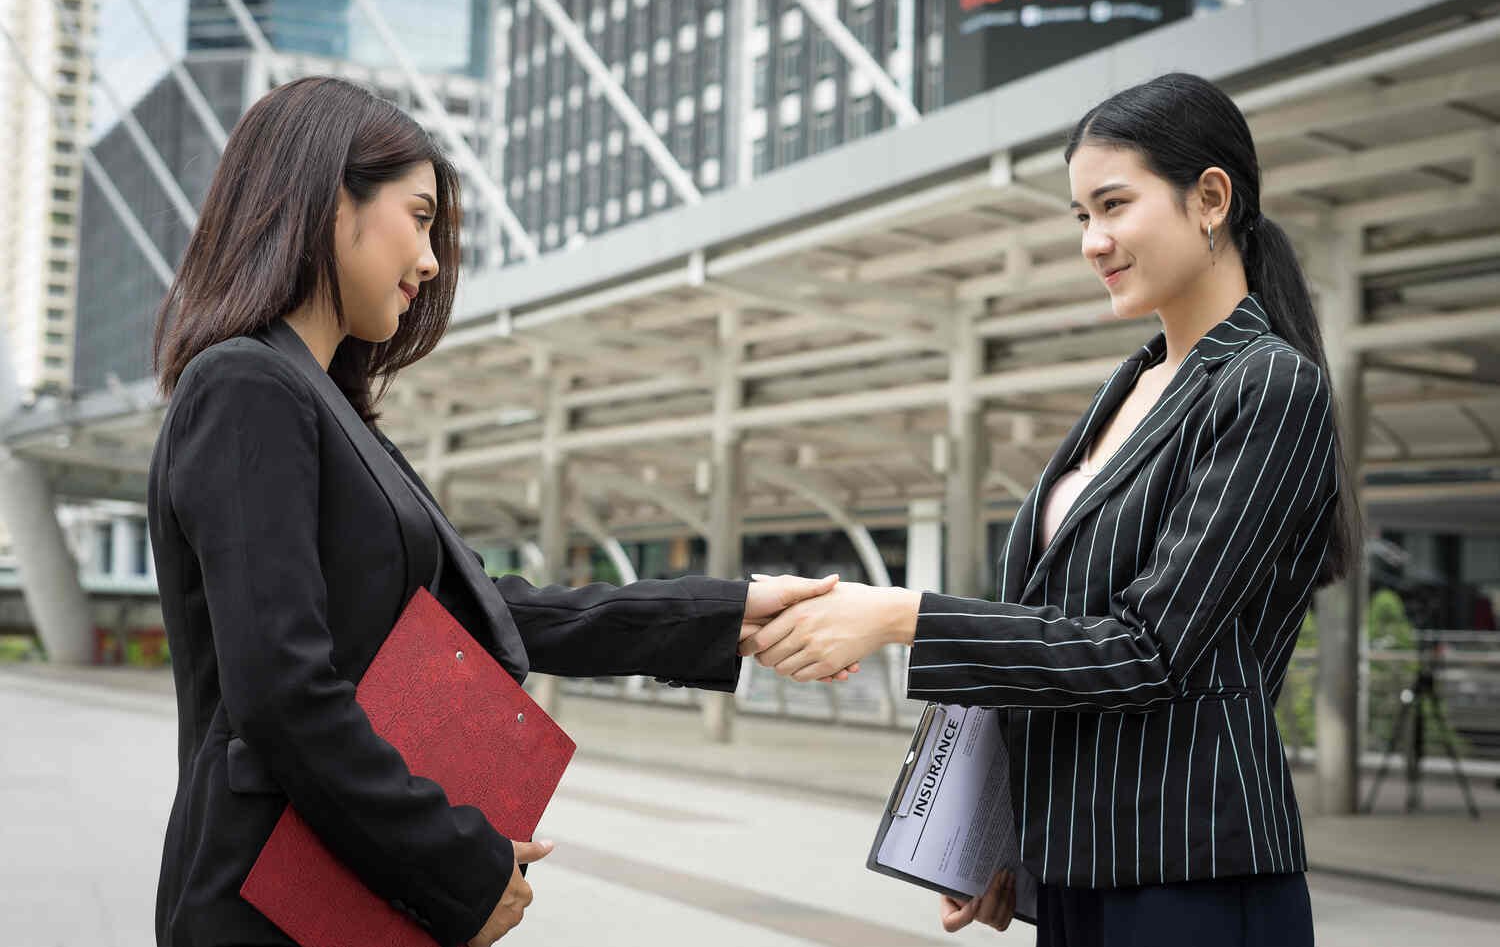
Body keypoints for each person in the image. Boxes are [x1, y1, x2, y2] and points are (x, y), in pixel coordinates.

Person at [146, 76, 848, 947]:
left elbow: (481, 612)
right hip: (266, 907)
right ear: (332, 202)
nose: (433, 260)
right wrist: (460, 871)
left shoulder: (316, 401)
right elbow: (284, 695)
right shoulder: (246, 386)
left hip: (330, 897)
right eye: (419, 215)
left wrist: (723, 614)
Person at [741, 72, 1362, 946]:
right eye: (1079, 216)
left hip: (1192, 874)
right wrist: (1011, 836)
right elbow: (1053, 625)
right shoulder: (1130, 384)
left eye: (1113, 205)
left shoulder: (1268, 383)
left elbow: (1149, 651)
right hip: (1079, 870)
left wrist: (900, 614)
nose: (1093, 241)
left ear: (1211, 198)